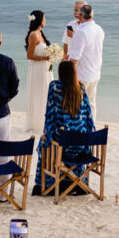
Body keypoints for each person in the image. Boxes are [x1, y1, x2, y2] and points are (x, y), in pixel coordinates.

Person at [33, 59, 96, 194]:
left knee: (43, 144)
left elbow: (50, 115)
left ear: (60, 73)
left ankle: (47, 185)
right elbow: (88, 118)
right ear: (74, 73)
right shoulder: (81, 89)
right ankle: (76, 183)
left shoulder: (55, 87)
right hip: (80, 147)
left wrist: (47, 136)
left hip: (62, 146)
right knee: (72, 139)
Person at [66, 3, 105, 113]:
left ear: (80, 15)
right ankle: (91, 127)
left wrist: (69, 77)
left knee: (77, 103)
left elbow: (75, 57)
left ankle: (80, 128)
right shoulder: (99, 29)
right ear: (92, 15)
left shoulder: (81, 31)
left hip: (82, 74)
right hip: (95, 72)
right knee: (92, 103)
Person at [23, 10, 50, 133]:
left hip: (45, 68)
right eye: (44, 18)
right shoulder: (34, 35)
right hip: (38, 68)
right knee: (39, 93)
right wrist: (45, 58)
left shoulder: (41, 33)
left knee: (45, 93)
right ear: (39, 20)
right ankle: (36, 122)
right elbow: (29, 55)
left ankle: (44, 120)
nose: (45, 20)